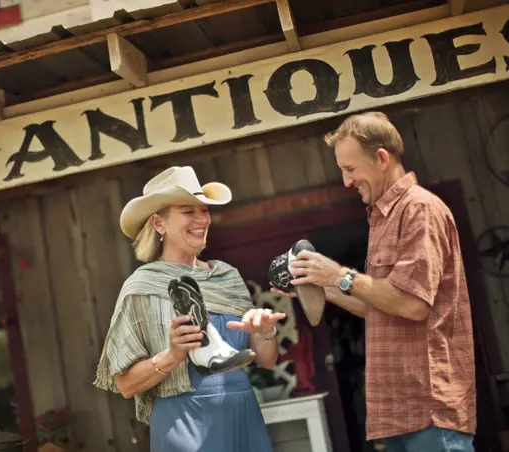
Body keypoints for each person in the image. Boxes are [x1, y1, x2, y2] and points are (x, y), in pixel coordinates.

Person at [272, 111, 476, 451]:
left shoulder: (418, 209)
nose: (346, 182)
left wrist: (339, 275)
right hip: (398, 413)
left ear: (381, 158)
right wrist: (319, 285)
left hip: (429, 409)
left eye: (350, 169)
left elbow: (411, 305)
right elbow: (381, 305)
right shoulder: (384, 218)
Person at [94, 166, 284, 452]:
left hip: (243, 413)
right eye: (188, 211)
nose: (201, 220)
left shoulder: (227, 277)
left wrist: (266, 331)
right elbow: (125, 385)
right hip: (184, 422)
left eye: (204, 211)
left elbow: (267, 360)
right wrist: (172, 356)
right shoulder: (141, 288)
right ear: (159, 224)